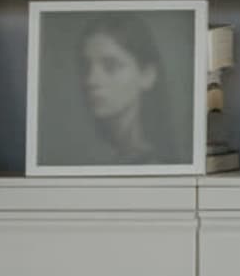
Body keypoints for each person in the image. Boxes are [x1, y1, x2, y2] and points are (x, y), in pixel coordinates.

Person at [72, 12, 178, 166]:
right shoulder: (100, 158)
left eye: (111, 66)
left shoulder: (156, 164)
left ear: (147, 75)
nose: (91, 80)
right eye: (86, 67)